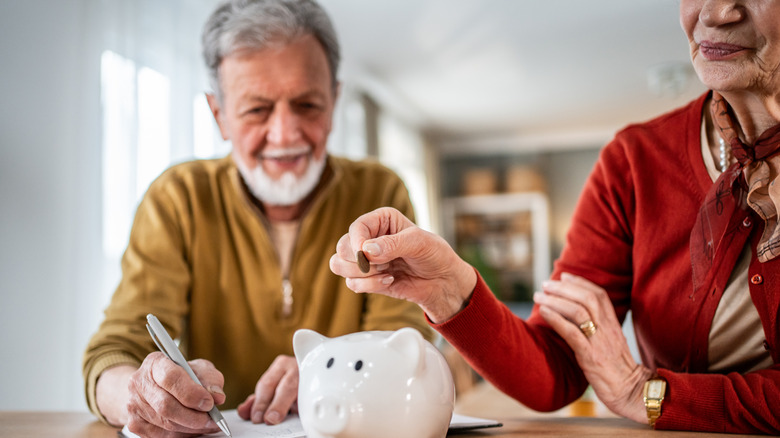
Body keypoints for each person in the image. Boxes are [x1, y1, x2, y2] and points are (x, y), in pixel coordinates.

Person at [330, 0, 780, 434]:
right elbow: (555, 371)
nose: (717, 12)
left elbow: (636, 392)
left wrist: (648, 393)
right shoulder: (632, 161)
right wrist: (448, 289)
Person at [82, 0, 433, 436]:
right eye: (256, 110)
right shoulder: (178, 199)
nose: (285, 134)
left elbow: (400, 339)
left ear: (335, 100)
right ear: (219, 115)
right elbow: (115, 351)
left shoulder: (380, 193)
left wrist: (327, 369)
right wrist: (140, 392)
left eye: (307, 105)